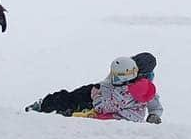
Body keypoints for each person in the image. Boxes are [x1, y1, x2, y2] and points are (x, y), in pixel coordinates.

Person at [28, 51, 163, 123]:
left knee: (77, 104)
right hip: (103, 91)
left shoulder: (143, 86)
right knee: (71, 97)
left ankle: (56, 112)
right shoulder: (127, 68)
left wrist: (154, 115)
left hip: (104, 102)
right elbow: (111, 81)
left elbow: (153, 102)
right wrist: (98, 89)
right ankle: (45, 105)